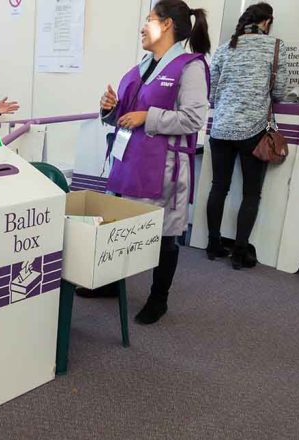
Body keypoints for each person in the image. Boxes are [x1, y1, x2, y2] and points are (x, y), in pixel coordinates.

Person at [98, 0, 211, 324]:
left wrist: (149, 117)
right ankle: (110, 284)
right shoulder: (143, 67)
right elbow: (124, 117)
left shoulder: (191, 67)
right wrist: (109, 108)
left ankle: (158, 298)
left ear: (167, 26)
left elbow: (192, 119)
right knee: (120, 227)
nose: (142, 27)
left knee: (164, 235)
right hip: (129, 161)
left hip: (163, 168)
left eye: (149, 20)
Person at [205, 2, 288, 270]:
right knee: (251, 194)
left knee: (219, 186)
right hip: (253, 130)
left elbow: (211, 93)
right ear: (267, 22)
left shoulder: (224, 48)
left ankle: (213, 244)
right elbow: (279, 92)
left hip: (220, 129)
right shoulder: (275, 47)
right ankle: (240, 252)